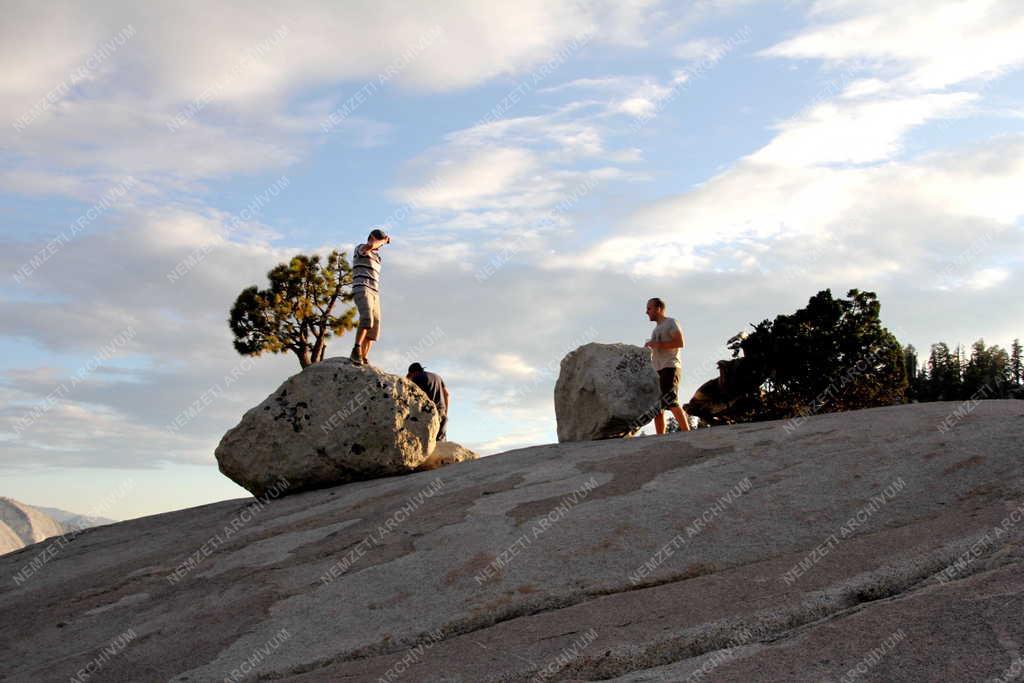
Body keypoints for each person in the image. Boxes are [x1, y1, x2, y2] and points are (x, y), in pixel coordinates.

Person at [644, 297, 692, 434]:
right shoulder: (655, 330)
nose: (646, 312)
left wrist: (658, 345)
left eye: (649, 308)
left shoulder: (671, 322)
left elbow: (680, 342)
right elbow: (656, 349)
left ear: (658, 308)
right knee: (657, 407)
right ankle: (660, 437)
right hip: (657, 369)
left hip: (670, 366)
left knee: (670, 400)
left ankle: (687, 432)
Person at [349, 228, 390, 366]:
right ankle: (356, 349)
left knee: (374, 328)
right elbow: (370, 246)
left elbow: (375, 248)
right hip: (362, 288)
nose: (382, 243)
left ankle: (363, 356)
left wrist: (382, 243)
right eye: (379, 239)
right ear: (372, 237)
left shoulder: (378, 258)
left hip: (375, 293)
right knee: (367, 319)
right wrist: (383, 241)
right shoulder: (360, 248)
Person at [406, 362, 449, 441]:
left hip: (429, 415)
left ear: (413, 373)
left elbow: (409, 392)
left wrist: (407, 379)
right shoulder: (437, 377)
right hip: (442, 413)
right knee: (440, 443)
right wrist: (445, 412)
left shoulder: (417, 377)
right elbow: (447, 394)